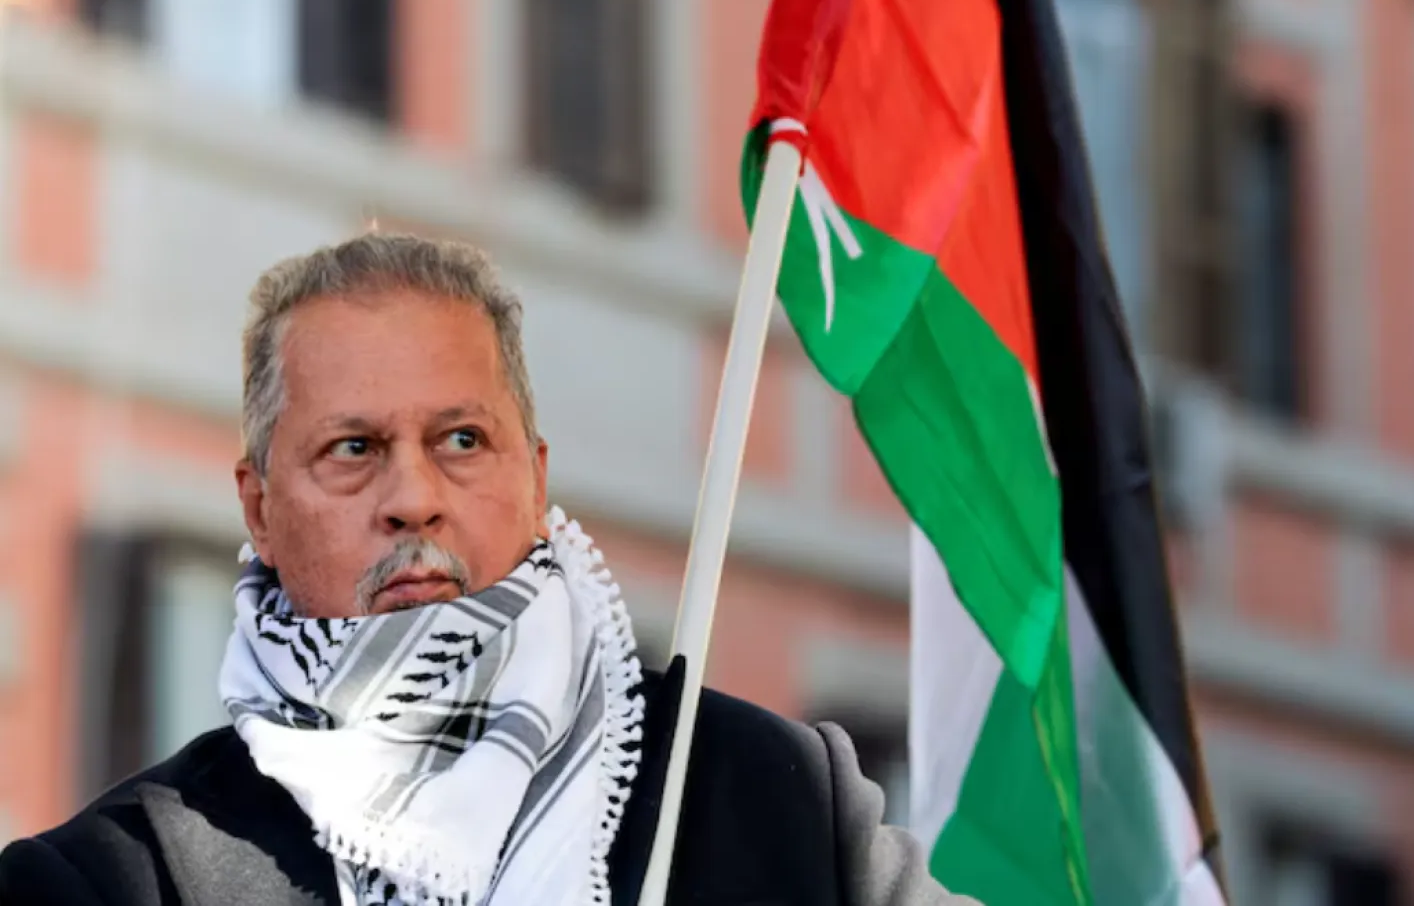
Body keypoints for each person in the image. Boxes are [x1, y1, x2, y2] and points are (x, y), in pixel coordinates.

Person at [0, 233, 974, 906]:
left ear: (535, 475)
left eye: (462, 439)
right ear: (258, 504)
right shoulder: (112, 879)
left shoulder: (775, 796)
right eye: (352, 448)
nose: (414, 496)